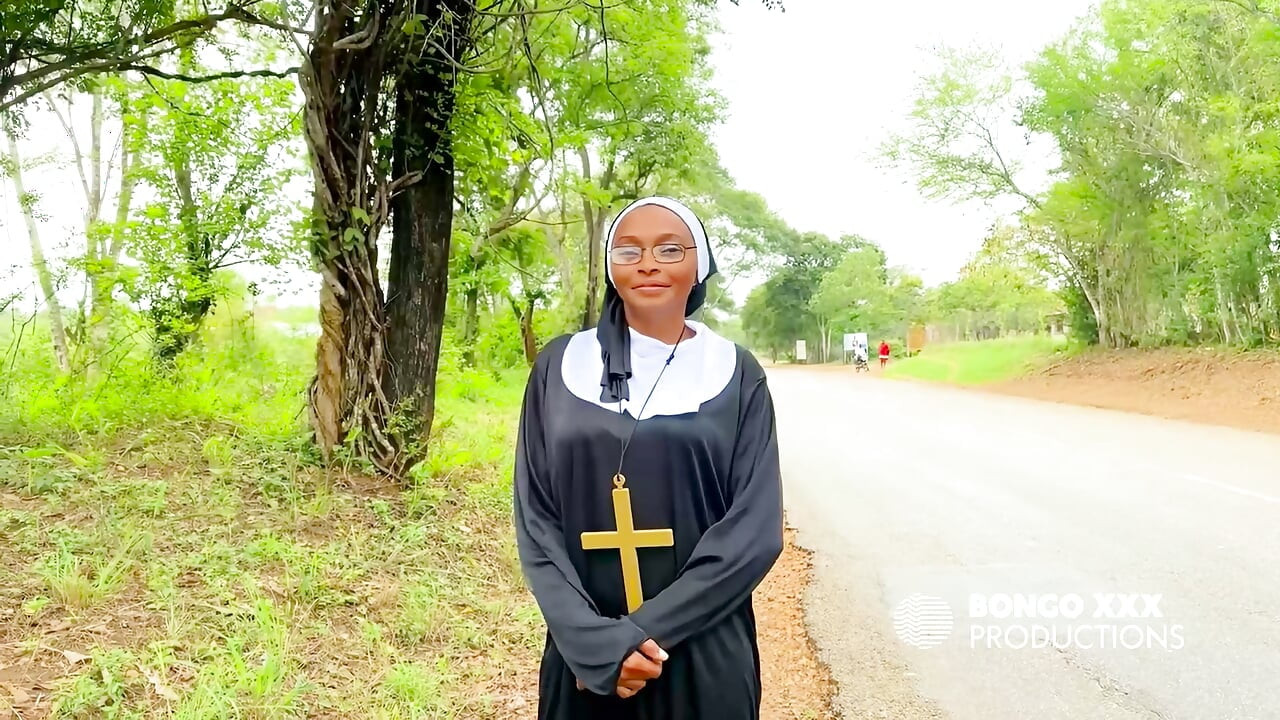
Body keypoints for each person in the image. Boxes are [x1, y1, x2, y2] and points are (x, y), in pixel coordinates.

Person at [513, 196, 784, 720]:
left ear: (698, 265)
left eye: (668, 249)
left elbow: (754, 531)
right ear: (611, 266)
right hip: (584, 661)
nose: (648, 263)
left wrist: (640, 636)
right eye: (629, 249)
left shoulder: (735, 371)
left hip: (704, 648)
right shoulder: (560, 365)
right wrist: (594, 645)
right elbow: (537, 519)